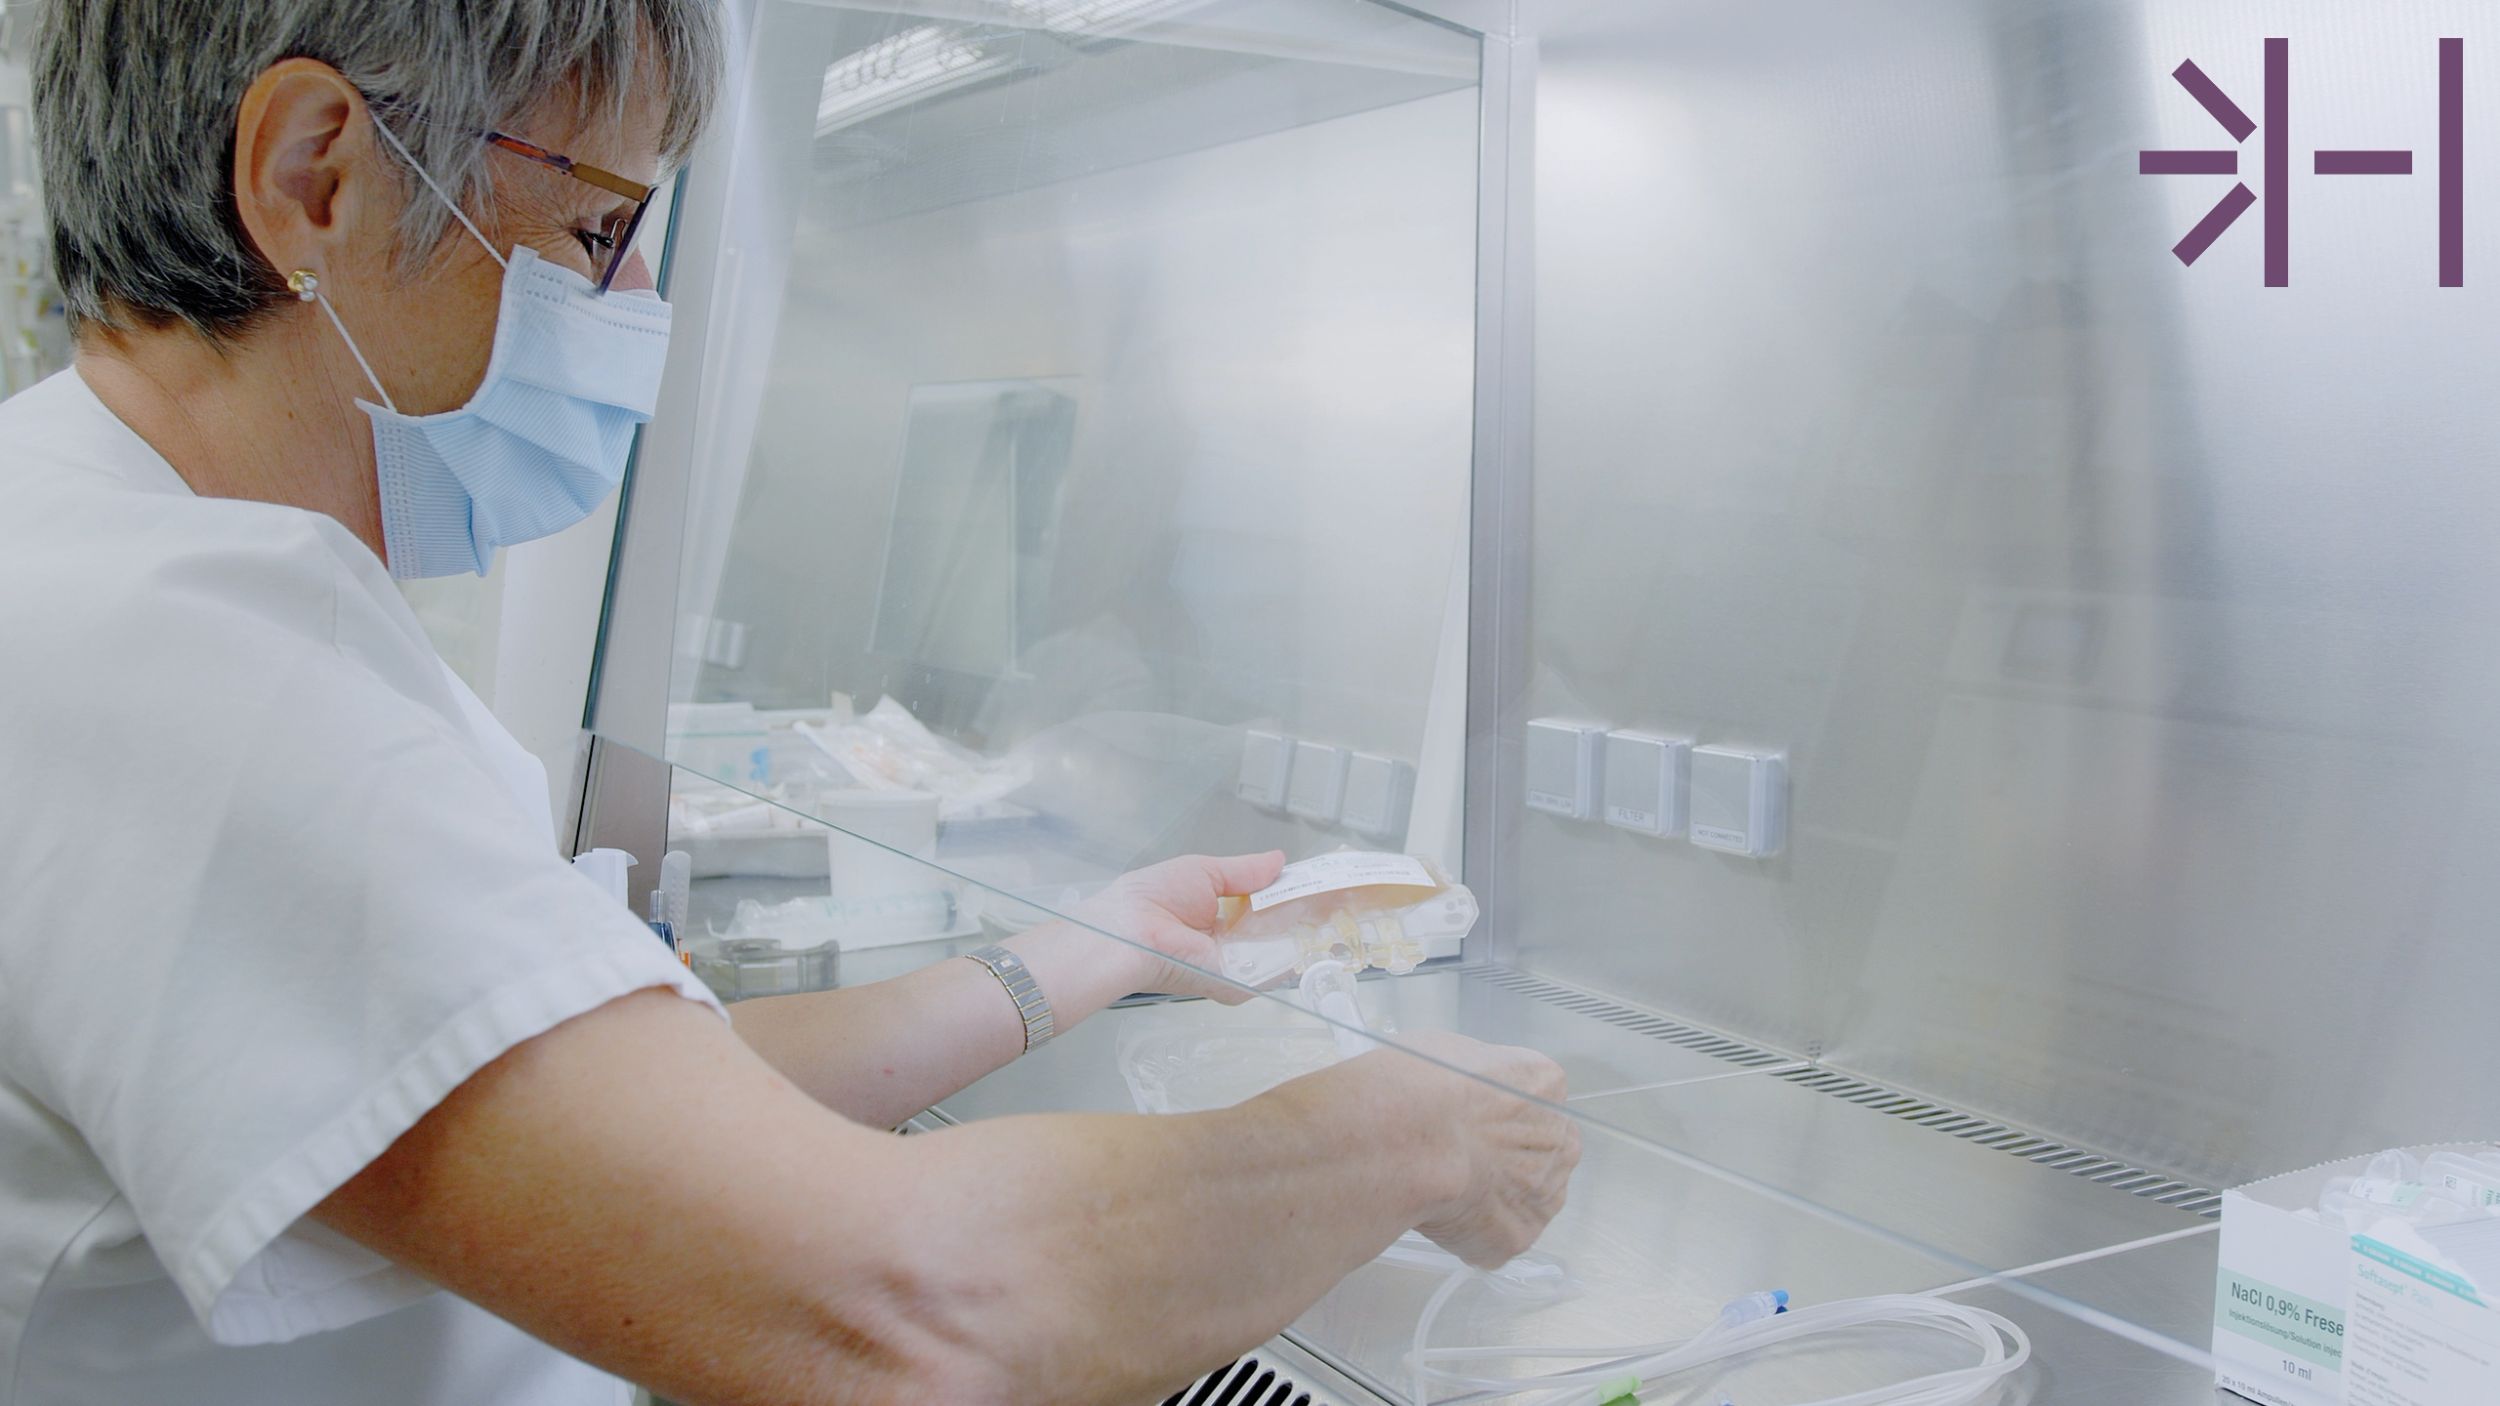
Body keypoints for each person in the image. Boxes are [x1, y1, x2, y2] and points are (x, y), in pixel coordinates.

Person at [0, 4, 1580, 1405]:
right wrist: (1406, 1134)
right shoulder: (185, 665)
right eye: (596, 233)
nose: (626, 309)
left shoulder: (128, 558)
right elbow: (913, 1311)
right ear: (314, 174)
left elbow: (610, 1100)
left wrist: (1090, 950)